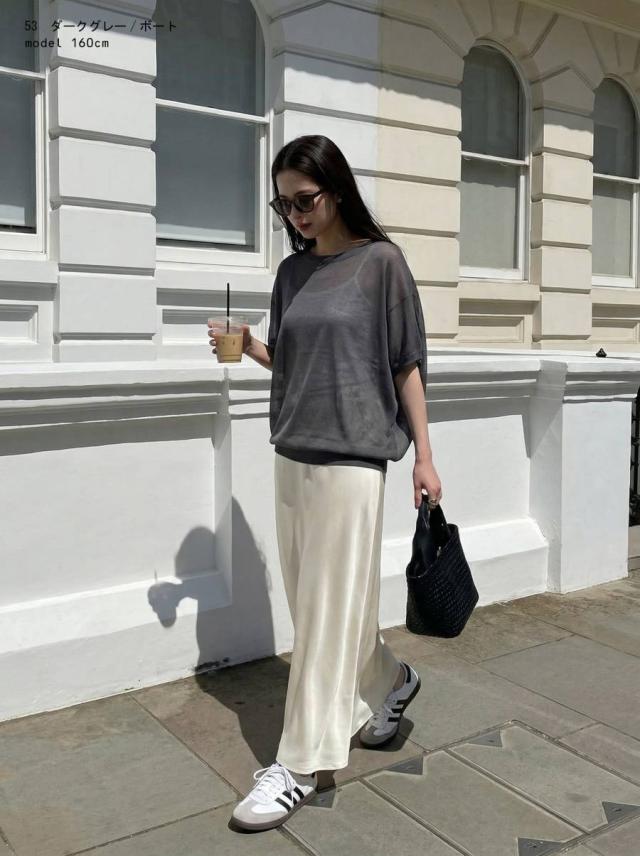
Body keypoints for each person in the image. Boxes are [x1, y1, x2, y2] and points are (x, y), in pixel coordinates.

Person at [208, 135, 442, 833]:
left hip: (353, 460)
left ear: (336, 190)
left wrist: (425, 457)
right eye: (284, 205)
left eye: (304, 200)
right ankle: (391, 680)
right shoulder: (291, 273)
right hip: (293, 451)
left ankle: (301, 764)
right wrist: (249, 345)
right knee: (322, 611)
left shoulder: (382, 264)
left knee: (323, 615)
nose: (295, 214)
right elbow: (293, 361)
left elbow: (406, 364)